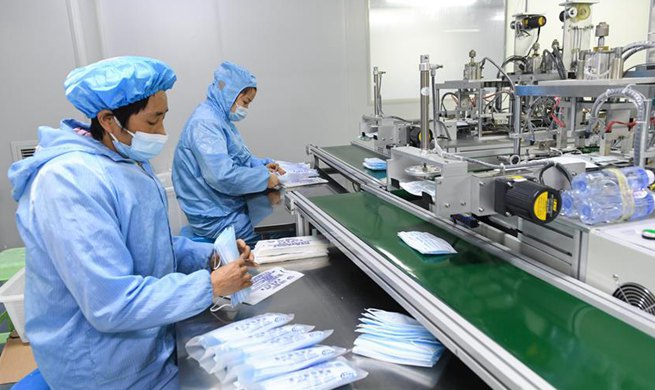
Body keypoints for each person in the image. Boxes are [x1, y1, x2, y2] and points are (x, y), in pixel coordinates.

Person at [8, 56, 256, 389]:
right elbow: (111, 302)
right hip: (103, 369)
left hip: (148, 345)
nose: (162, 133)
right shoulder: (68, 182)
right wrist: (209, 285)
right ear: (108, 120)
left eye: (163, 119)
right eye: (153, 122)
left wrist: (208, 255)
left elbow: (150, 246)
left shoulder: (124, 160)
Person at [172, 62, 285, 245]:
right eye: (245, 102)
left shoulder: (220, 119)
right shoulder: (205, 124)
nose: (245, 108)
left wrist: (260, 166)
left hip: (225, 208)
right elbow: (222, 176)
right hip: (215, 217)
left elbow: (238, 158)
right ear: (230, 93)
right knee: (279, 233)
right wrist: (264, 178)